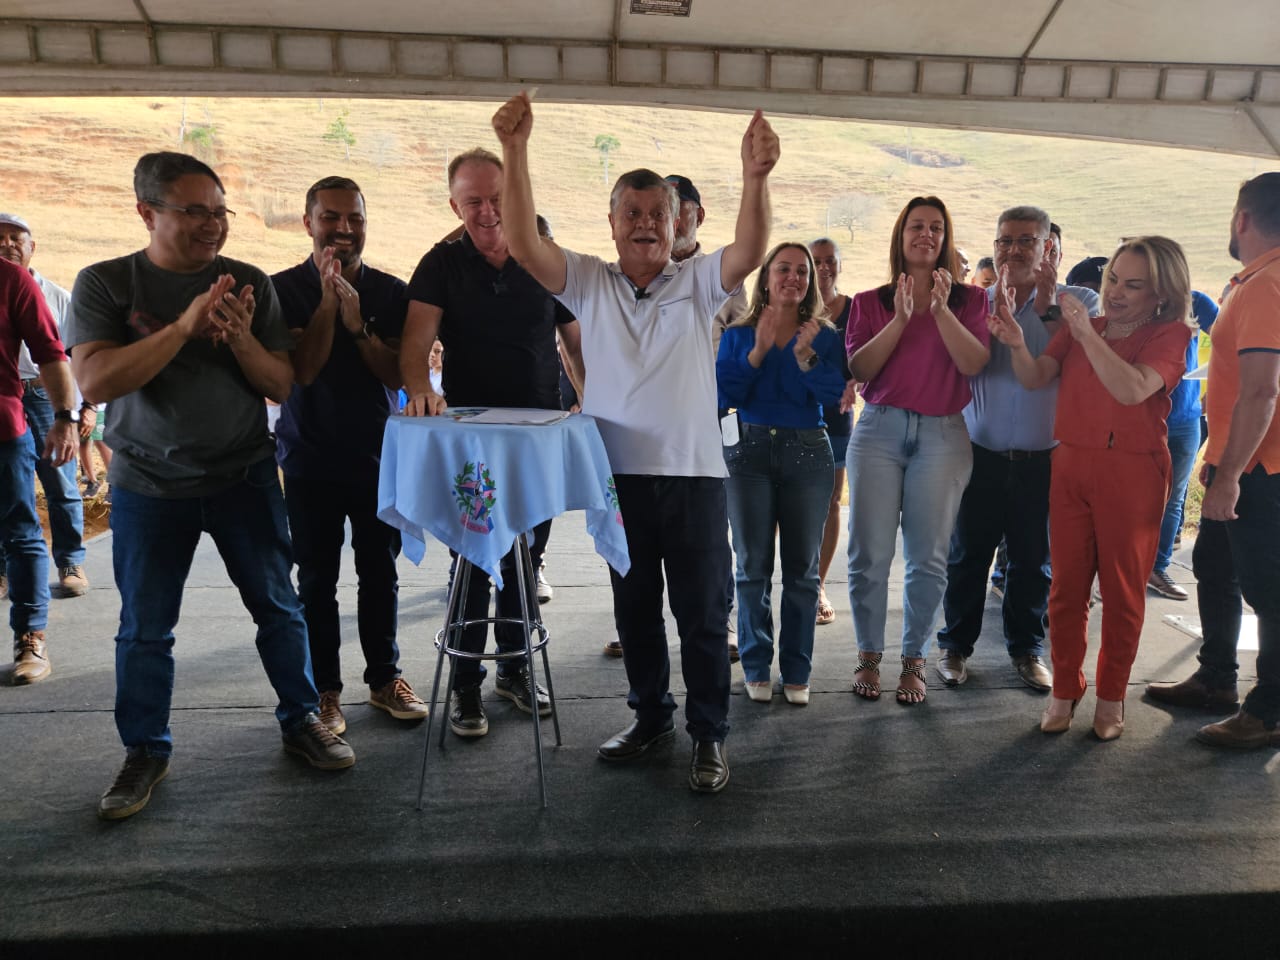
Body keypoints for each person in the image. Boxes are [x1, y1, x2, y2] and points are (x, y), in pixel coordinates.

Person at [492, 90, 778, 793]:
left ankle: (708, 735)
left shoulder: (699, 281)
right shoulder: (590, 280)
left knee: (703, 616)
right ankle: (651, 718)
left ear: (678, 224)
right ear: (613, 223)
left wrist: (755, 177)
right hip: (617, 480)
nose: (646, 224)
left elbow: (749, 250)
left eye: (658, 214)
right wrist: (515, 149)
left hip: (695, 479)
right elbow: (524, 243)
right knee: (636, 611)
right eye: (633, 213)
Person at [66, 151, 353, 822]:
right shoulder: (106, 282)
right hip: (147, 484)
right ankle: (145, 749)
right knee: (145, 629)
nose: (212, 225)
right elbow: (97, 381)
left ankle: (302, 717)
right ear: (147, 212)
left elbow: (280, 385)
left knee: (279, 608)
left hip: (244, 477)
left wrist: (242, 337)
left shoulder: (247, 280)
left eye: (219, 212)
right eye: (194, 211)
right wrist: (184, 327)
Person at [400, 146, 584, 740]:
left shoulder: (545, 256)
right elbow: (415, 343)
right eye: (473, 201)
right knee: (475, 564)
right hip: (471, 446)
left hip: (537, 441)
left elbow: (574, 341)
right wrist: (418, 389)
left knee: (524, 562)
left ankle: (514, 669)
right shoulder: (440, 263)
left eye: (497, 198)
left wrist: (592, 397)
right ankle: (464, 685)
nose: (487, 211)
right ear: (454, 205)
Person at [990, 236, 1192, 741]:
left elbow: (1131, 389)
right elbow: (1036, 377)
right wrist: (1016, 343)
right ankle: (1065, 688)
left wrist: (1085, 332)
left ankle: (1111, 695)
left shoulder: (1171, 335)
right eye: (1112, 280)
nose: (1116, 292)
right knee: (1066, 588)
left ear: (1161, 294)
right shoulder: (1087, 328)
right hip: (1071, 464)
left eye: (1133, 285)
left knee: (1123, 591)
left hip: (1133, 471)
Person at [272, 176, 426, 735]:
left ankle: (385, 678)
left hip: (377, 456)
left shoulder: (391, 292)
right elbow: (300, 373)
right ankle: (324, 690)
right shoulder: (281, 290)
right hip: (307, 456)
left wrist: (359, 327)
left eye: (354, 218)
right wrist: (326, 305)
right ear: (308, 222)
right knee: (316, 579)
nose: (343, 228)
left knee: (379, 571)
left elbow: (400, 377)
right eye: (331, 217)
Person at [936, 206, 1100, 691]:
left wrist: (1048, 305)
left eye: (1026, 240)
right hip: (979, 454)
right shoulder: (974, 302)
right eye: (1004, 240)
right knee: (967, 557)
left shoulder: (1079, 300)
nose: (1012, 250)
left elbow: (1081, 361)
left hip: (1044, 457)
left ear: (1048, 247)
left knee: (1032, 561)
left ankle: (1026, 650)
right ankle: (954, 647)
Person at [1149, 172, 1280, 749]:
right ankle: (1216, 678)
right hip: (1242, 461)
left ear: (1242, 218)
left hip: (1259, 469)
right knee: (1215, 567)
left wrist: (1229, 476)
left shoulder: (1266, 285)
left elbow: (1262, 390)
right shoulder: (1255, 281)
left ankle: (1269, 711)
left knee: (1269, 591)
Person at [845, 196, 990, 705]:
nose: (926, 235)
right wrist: (901, 318)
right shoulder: (869, 301)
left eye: (935, 227)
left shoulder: (972, 301)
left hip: (943, 435)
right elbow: (861, 369)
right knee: (869, 554)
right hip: (879, 431)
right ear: (900, 236)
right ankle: (868, 656)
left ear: (946, 238)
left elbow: (973, 364)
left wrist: (941, 310)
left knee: (928, 557)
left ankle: (914, 660)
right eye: (916, 226)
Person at [717, 243, 845, 706]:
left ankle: (796, 670)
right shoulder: (738, 333)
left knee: (802, 572)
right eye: (783, 268)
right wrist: (758, 350)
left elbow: (835, 394)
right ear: (766, 277)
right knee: (752, 566)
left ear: (810, 282)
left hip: (807, 452)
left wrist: (805, 355)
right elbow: (724, 393)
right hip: (747, 453)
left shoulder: (823, 335)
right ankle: (755, 666)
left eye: (802, 271)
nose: (794, 277)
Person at [0, 213, 90, 597]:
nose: (7, 244)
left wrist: (83, 409)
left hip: (44, 396)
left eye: (15, 238)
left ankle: (70, 561)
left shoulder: (58, 297)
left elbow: (76, 356)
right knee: (7, 488)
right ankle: (4, 570)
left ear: (32, 247)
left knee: (60, 482)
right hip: (5, 399)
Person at [0, 257, 79, 685]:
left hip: (3, 431)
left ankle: (30, 636)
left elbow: (51, 351)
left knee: (20, 531)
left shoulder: (11, 279)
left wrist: (65, 417)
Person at [1148, 290, 1218, 600]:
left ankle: (1157, 568)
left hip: (1186, 417)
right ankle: (1117, 568)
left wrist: (1216, 388)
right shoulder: (1139, 297)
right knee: (1130, 498)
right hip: (1142, 416)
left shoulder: (1196, 301)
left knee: (1173, 499)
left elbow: (1230, 342)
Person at [808, 237, 857, 626]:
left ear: (840, 264)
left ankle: (818, 586)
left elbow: (866, 360)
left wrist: (857, 381)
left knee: (829, 503)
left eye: (830, 260)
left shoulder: (855, 310)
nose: (824, 267)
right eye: (817, 261)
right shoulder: (792, 306)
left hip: (837, 420)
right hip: (793, 417)